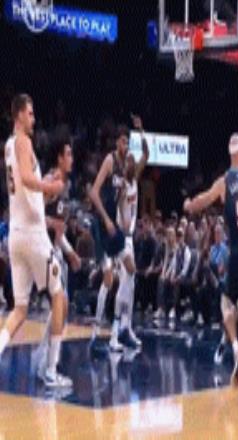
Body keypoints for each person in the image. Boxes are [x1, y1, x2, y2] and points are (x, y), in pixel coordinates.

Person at [184, 133, 238, 405]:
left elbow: (202, 201)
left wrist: (188, 204)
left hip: (236, 255)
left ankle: (236, 349)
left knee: (226, 305)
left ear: (230, 155)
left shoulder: (223, 182)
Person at [0, 94, 70, 387]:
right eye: (29, 113)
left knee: (20, 310)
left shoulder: (7, 145)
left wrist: (44, 190)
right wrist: (51, 186)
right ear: (18, 114)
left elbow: (24, 188)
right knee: (59, 296)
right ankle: (51, 369)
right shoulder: (23, 141)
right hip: (32, 235)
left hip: (16, 235)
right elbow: (28, 179)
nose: (33, 118)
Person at [89, 115, 145, 351]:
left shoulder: (124, 169)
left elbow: (120, 198)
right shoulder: (110, 161)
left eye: (127, 142)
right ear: (116, 143)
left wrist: (123, 217)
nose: (125, 145)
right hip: (100, 224)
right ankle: (96, 329)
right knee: (109, 278)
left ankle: (117, 330)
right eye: (122, 141)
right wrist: (106, 218)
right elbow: (93, 192)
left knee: (131, 269)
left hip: (114, 227)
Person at [35, 136, 82, 381]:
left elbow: (59, 230)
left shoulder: (65, 184)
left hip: (54, 251)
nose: (72, 159)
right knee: (60, 303)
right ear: (59, 158)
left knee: (60, 310)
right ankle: (49, 368)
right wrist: (50, 222)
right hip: (40, 249)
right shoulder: (50, 181)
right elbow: (32, 215)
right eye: (68, 154)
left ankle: (44, 359)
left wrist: (70, 251)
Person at [114, 116, 149, 347]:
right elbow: (115, 206)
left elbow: (146, 153)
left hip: (130, 239)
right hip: (120, 237)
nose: (131, 162)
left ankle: (125, 327)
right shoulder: (121, 184)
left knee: (130, 282)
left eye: (132, 160)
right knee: (129, 276)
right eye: (128, 160)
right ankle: (118, 328)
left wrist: (141, 130)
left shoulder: (135, 180)